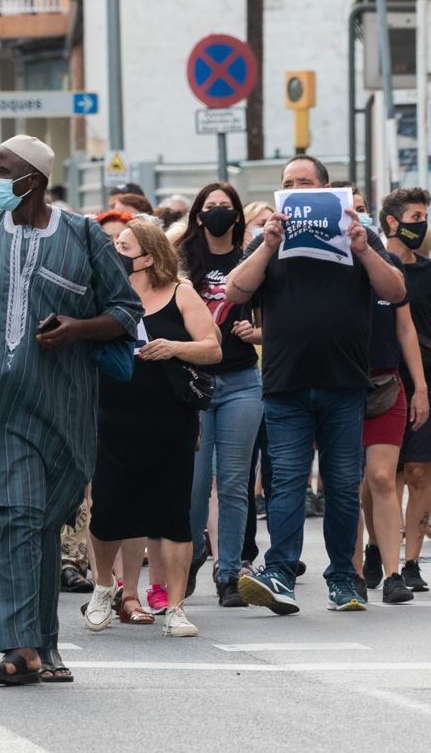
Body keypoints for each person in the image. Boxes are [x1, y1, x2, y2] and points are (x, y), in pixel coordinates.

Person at [0, 135, 141, 687]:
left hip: (62, 409)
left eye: (3, 170)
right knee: (20, 519)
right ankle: (20, 649)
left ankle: (45, 647)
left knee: (41, 525)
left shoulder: (81, 236)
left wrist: (79, 328)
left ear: (33, 178)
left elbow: (126, 312)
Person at [226, 156, 406, 615]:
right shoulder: (268, 239)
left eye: (305, 182)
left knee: (343, 485)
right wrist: (266, 245)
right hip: (286, 384)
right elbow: (234, 292)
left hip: (344, 383)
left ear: (326, 189)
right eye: (288, 184)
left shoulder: (357, 237)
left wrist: (364, 249)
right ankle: (280, 574)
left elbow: (397, 290)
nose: (296, 189)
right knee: (286, 484)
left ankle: (343, 579)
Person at [81, 220, 221, 638]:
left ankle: (175, 606)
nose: (116, 252)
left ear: (149, 256)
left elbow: (212, 348)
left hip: (170, 417)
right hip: (112, 414)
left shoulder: (181, 292)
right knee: (108, 508)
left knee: (173, 512)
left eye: (124, 246)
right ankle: (105, 586)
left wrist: (173, 347)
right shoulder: (104, 295)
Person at [342, 190, 430, 605]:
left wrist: (420, 387)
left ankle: (393, 574)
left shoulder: (390, 265)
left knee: (381, 477)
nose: (357, 214)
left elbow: (406, 329)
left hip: (386, 384)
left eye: (361, 208)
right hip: (340, 385)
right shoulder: (327, 266)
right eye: (350, 207)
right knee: (351, 484)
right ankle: (356, 571)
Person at [178, 184, 263, 606]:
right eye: (209, 207)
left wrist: (258, 332)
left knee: (233, 482)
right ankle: (191, 554)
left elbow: (274, 317)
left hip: (242, 380)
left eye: (224, 208)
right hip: (194, 382)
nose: (217, 213)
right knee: (194, 483)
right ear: (198, 216)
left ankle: (229, 572)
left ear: (236, 216)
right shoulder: (182, 259)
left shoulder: (250, 259)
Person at [381, 188, 431, 595]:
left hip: (427, 378)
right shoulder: (374, 267)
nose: (422, 224)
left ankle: (411, 563)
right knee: (383, 476)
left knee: (419, 473)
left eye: (424, 216)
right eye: (414, 215)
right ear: (392, 221)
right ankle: (381, 550)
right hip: (380, 378)